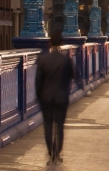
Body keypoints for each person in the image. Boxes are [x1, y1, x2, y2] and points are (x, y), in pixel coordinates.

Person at [36, 35, 75, 166]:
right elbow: (75, 75)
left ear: (49, 43)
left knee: (48, 125)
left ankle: (50, 153)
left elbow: (38, 82)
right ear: (61, 43)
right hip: (61, 97)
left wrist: (39, 97)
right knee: (59, 125)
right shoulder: (66, 60)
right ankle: (57, 153)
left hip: (46, 97)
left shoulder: (42, 59)